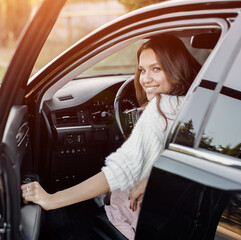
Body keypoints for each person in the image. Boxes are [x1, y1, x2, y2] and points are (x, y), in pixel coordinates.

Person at [21, 33, 201, 239]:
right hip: (173, 216)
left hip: (137, 217)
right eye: (142, 70)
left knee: (67, 219)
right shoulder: (195, 104)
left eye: (156, 69)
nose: (145, 79)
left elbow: (119, 172)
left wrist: (52, 199)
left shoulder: (161, 107)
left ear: (175, 68)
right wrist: (152, 178)